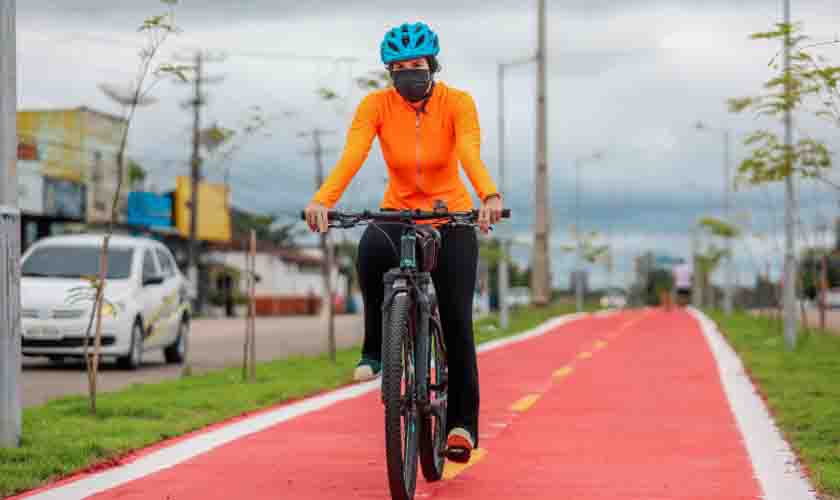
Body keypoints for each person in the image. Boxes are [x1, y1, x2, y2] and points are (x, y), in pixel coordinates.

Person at [304, 22, 503, 463]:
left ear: (432, 66)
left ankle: (461, 425)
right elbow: (354, 153)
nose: (408, 75)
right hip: (398, 210)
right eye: (398, 69)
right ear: (389, 74)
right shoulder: (375, 106)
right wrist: (323, 200)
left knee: (456, 321)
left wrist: (488, 195)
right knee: (371, 247)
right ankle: (377, 348)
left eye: (416, 66)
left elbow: (469, 150)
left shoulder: (458, 103)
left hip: (450, 216)